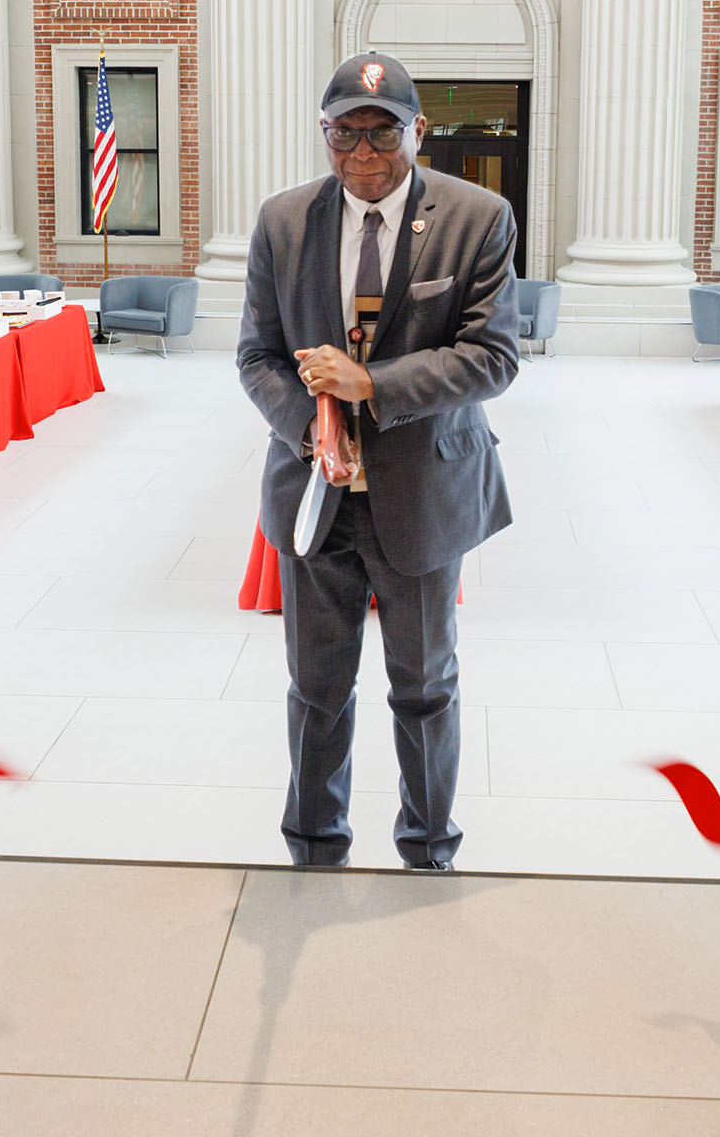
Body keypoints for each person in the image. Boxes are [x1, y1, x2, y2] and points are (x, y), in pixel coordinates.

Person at [237, 51, 521, 870]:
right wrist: (313, 430)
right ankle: (313, 847)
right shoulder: (283, 221)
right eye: (343, 134)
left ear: (418, 131)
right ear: (324, 133)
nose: (362, 155)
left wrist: (370, 384)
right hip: (314, 494)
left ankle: (429, 849)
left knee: (424, 689)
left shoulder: (479, 217)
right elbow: (257, 357)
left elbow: (492, 358)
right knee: (315, 691)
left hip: (423, 493)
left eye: (382, 134)